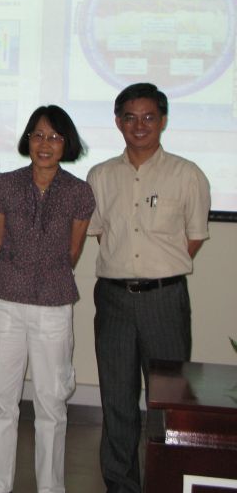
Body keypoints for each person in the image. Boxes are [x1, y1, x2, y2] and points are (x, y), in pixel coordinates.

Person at [87, 82, 210, 493]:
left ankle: (166, 481)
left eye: (149, 117)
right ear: (118, 121)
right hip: (114, 300)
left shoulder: (187, 174)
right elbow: (103, 234)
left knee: (168, 401)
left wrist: (156, 270)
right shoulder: (100, 175)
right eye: (130, 117)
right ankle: (121, 485)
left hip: (165, 301)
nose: (139, 125)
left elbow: (191, 238)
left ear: (163, 121)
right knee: (117, 401)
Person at [0, 106, 95, 493]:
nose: (44, 144)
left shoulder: (80, 192)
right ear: (27, 140)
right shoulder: (4, 185)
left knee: (51, 406)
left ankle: (50, 488)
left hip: (54, 306)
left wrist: (43, 275)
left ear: (67, 144)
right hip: (6, 304)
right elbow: (0, 244)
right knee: (2, 403)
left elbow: (73, 251)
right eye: (37, 135)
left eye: (54, 137)